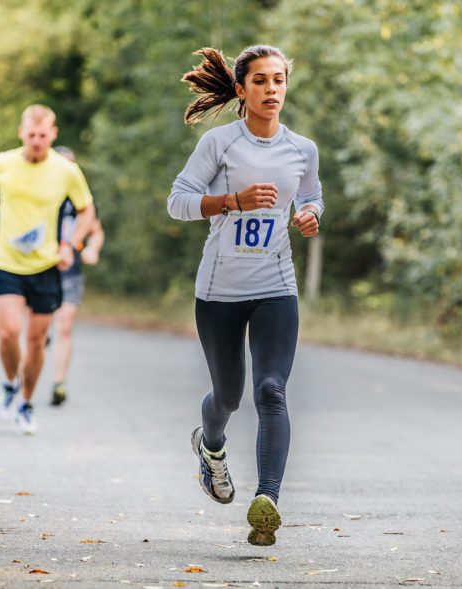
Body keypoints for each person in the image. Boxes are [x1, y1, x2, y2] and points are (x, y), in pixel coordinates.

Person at [168, 45, 323, 546]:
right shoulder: (219, 144)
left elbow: (312, 195)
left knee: (271, 390)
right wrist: (231, 201)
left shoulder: (302, 149)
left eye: (279, 80)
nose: (272, 90)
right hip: (219, 292)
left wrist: (309, 215)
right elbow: (178, 202)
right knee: (230, 395)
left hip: (276, 286)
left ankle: (268, 502)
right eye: (260, 81)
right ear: (241, 90)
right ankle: (210, 446)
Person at [0, 104, 96, 435]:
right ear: (21, 133)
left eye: (43, 135)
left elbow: (86, 210)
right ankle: (10, 381)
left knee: (37, 340)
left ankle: (26, 403)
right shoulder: (1, 163)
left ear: (53, 134)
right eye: (31, 135)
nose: (37, 141)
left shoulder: (66, 170)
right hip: (5, 261)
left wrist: (71, 244)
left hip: (45, 265)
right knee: (9, 331)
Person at [48, 145, 105, 406]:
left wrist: (92, 248)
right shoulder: (40, 195)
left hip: (69, 270)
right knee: (37, 330)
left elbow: (96, 230)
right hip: (39, 269)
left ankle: (59, 383)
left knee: (66, 325)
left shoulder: (81, 199)